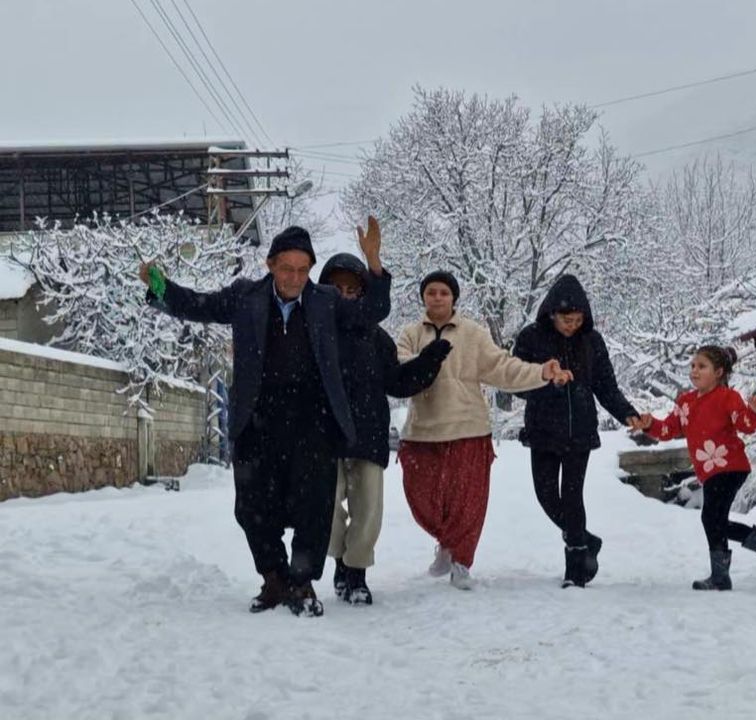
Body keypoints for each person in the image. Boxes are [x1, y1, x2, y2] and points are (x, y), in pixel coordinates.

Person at [139, 220, 389, 617]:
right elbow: (197, 305)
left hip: (314, 421)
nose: (294, 277)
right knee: (253, 505)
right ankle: (273, 579)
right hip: (258, 420)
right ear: (270, 264)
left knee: (314, 506)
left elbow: (373, 311)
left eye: (303, 269)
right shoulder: (245, 297)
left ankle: (302, 582)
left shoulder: (326, 300)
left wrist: (374, 264)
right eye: (287, 268)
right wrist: (159, 287)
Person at [396, 270, 571, 590]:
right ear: (423, 297)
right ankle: (447, 543)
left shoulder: (472, 334)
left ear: (454, 298)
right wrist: (426, 361)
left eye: (444, 293)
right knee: (420, 498)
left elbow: (503, 368)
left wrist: (541, 372)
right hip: (422, 432)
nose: (437, 297)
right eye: (431, 292)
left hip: (468, 428)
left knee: (468, 502)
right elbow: (400, 373)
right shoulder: (409, 334)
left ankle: (461, 561)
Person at [318, 253, 452, 605]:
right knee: (324, 510)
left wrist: (428, 361)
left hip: (368, 433)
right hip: (322, 436)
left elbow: (396, 381)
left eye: (352, 288)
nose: (345, 294)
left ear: (363, 293)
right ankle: (339, 560)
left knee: (369, 512)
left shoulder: (376, 337)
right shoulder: (312, 332)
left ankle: (357, 573)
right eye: (337, 287)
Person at [512, 275, 644, 588]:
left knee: (572, 497)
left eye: (577, 319)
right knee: (546, 496)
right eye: (566, 319)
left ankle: (576, 566)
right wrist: (547, 381)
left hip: (579, 431)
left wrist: (627, 413)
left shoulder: (592, 341)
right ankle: (584, 539)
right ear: (551, 315)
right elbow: (514, 383)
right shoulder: (531, 338)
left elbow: (605, 386)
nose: (572, 325)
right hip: (543, 427)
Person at [639, 346, 756, 591]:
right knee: (715, 520)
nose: (694, 371)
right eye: (693, 366)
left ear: (719, 372)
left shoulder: (727, 397)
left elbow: (746, 424)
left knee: (711, 517)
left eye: (702, 366)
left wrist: (755, 410)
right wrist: (649, 425)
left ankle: (722, 575)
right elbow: (669, 429)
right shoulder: (685, 402)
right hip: (709, 470)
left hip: (730, 465)